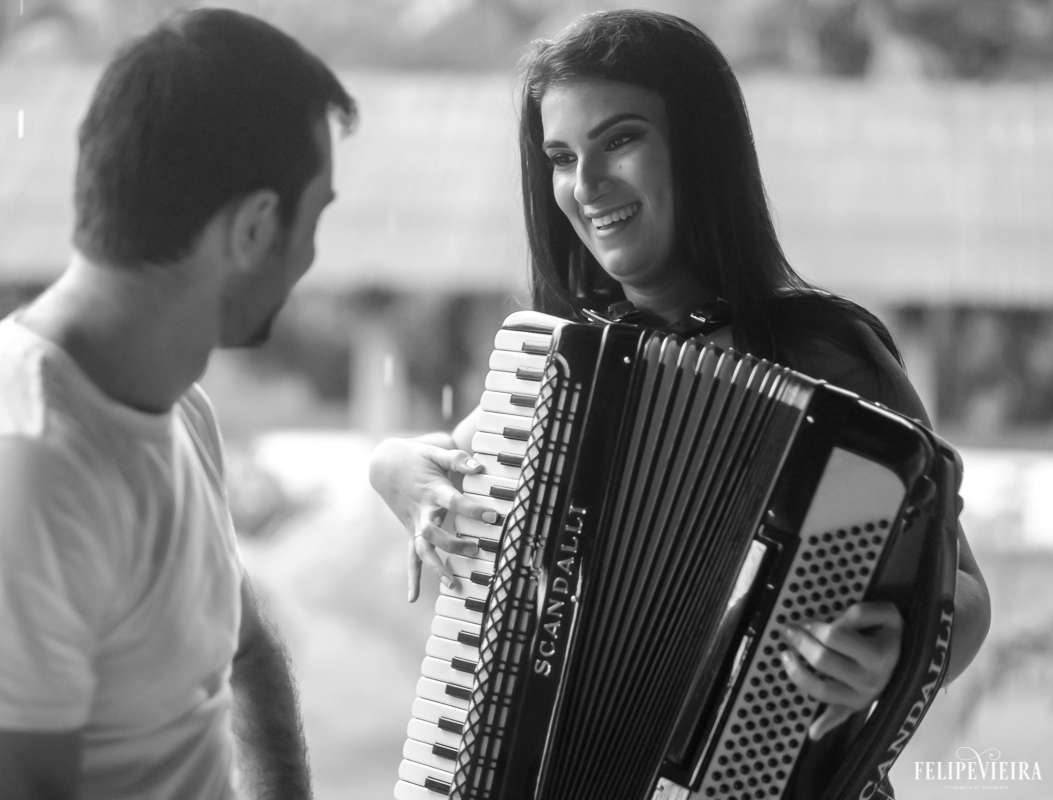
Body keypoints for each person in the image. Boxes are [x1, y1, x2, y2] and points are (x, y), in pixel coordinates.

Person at [368, 8, 989, 797]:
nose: (585, 186)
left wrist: (892, 657)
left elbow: (960, 592)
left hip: (757, 776)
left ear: (701, 149)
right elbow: (450, 460)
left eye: (619, 140)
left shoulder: (825, 356)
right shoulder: (561, 365)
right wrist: (390, 467)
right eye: (561, 156)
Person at [0, 9, 354, 800]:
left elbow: (246, 650)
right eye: (315, 216)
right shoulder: (14, 469)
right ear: (257, 227)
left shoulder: (175, 408)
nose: (314, 256)